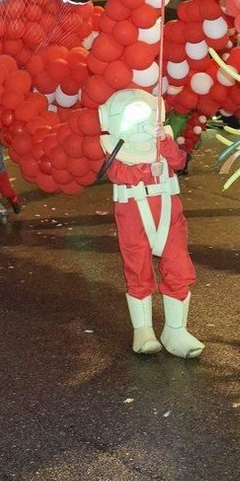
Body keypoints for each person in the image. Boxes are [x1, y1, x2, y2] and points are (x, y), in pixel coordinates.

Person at [98, 88, 201, 359]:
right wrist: (145, 170)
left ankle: (175, 330)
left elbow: (178, 161)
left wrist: (165, 143)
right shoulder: (114, 146)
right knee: (138, 266)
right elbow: (116, 170)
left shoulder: (162, 140)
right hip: (132, 214)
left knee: (178, 265)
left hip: (168, 211)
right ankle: (142, 329)